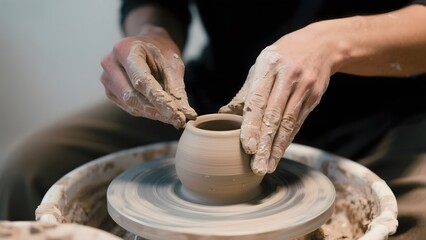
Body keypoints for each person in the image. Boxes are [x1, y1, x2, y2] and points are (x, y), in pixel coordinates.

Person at [1, 0, 426, 238]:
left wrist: (332, 42)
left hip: (385, 111)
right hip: (220, 97)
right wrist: (150, 32)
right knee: (29, 168)